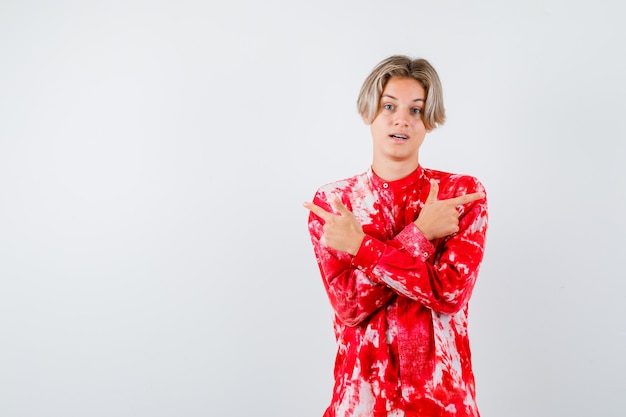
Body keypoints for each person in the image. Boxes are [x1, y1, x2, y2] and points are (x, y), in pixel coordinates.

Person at [303, 55, 488, 417]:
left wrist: (361, 249)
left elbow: (448, 292)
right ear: (369, 112)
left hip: (440, 399)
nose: (401, 119)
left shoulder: (459, 195)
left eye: (416, 110)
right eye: (389, 106)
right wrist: (420, 235)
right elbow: (351, 306)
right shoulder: (336, 204)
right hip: (362, 399)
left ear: (428, 121)